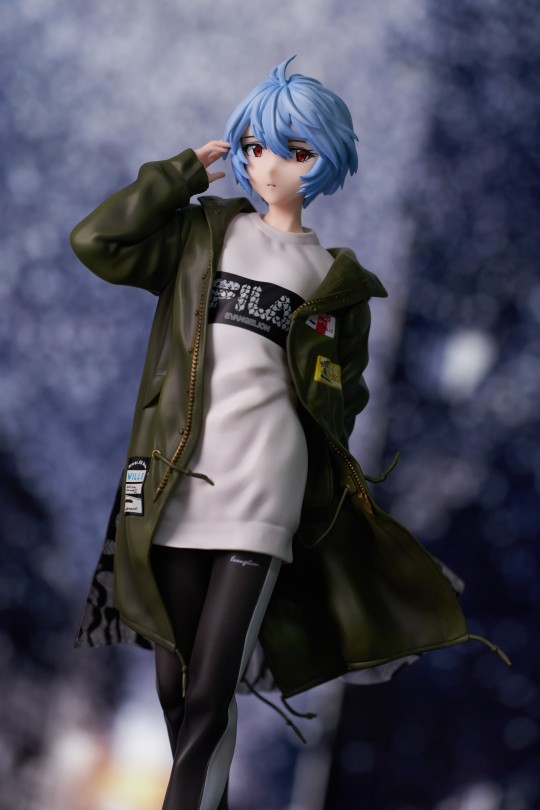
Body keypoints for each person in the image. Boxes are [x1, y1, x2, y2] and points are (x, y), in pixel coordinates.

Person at [71, 56, 507, 810]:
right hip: (175, 488)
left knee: (209, 691)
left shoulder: (336, 282)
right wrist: (179, 174)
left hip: (264, 497)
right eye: (255, 147)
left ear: (324, 161)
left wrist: (312, 478)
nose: (267, 166)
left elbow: (346, 398)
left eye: (293, 152)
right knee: (176, 687)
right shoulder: (203, 235)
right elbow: (96, 241)